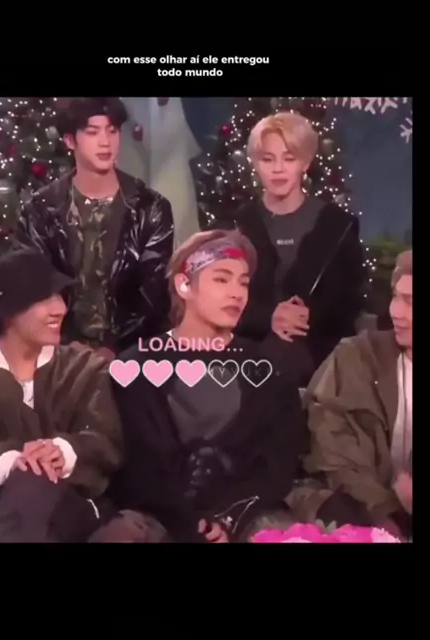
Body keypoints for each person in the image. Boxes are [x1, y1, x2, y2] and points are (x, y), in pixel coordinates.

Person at [111, 229, 307, 543]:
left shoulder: (268, 371)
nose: (237, 293)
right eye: (221, 279)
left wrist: (228, 519)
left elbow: (276, 465)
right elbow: (140, 468)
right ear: (184, 285)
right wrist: (190, 524)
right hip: (159, 516)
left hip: (245, 514)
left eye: (243, 282)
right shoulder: (136, 366)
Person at [0, 97, 175, 359]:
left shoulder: (151, 207)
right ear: (70, 140)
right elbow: (32, 286)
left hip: (134, 352)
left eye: (112, 131)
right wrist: (67, 347)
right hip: (57, 353)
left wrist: (114, 348)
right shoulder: (41, 209)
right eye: (92, 132)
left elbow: (153, 292)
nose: (105, 142)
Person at [0, 248, 123, 543]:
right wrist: (13, 461)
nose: (60, 309)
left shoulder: (86, 368)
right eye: (43, 299)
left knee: (34, 482)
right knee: (25, 486)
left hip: (75, 506)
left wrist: (61, 451)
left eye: (60, 297)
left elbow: (106, 439)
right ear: (7, 310)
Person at [212, 111, 365, 383]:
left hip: (321, 357)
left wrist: (308, 316)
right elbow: (214, 297)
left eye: (289, 158)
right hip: (246, 351)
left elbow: (349, 301)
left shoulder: (338, 226)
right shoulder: (233, 225)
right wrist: (269, 317)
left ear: (305, 162)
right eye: (268, 159)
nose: (278, 169)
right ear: (255, 163)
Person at [287, 250, 412, 539]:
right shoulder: (357, 357)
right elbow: (333, 450)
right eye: (396, 296)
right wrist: (386, 512)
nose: (396, 311)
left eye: (411, 301)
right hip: (357, 505)